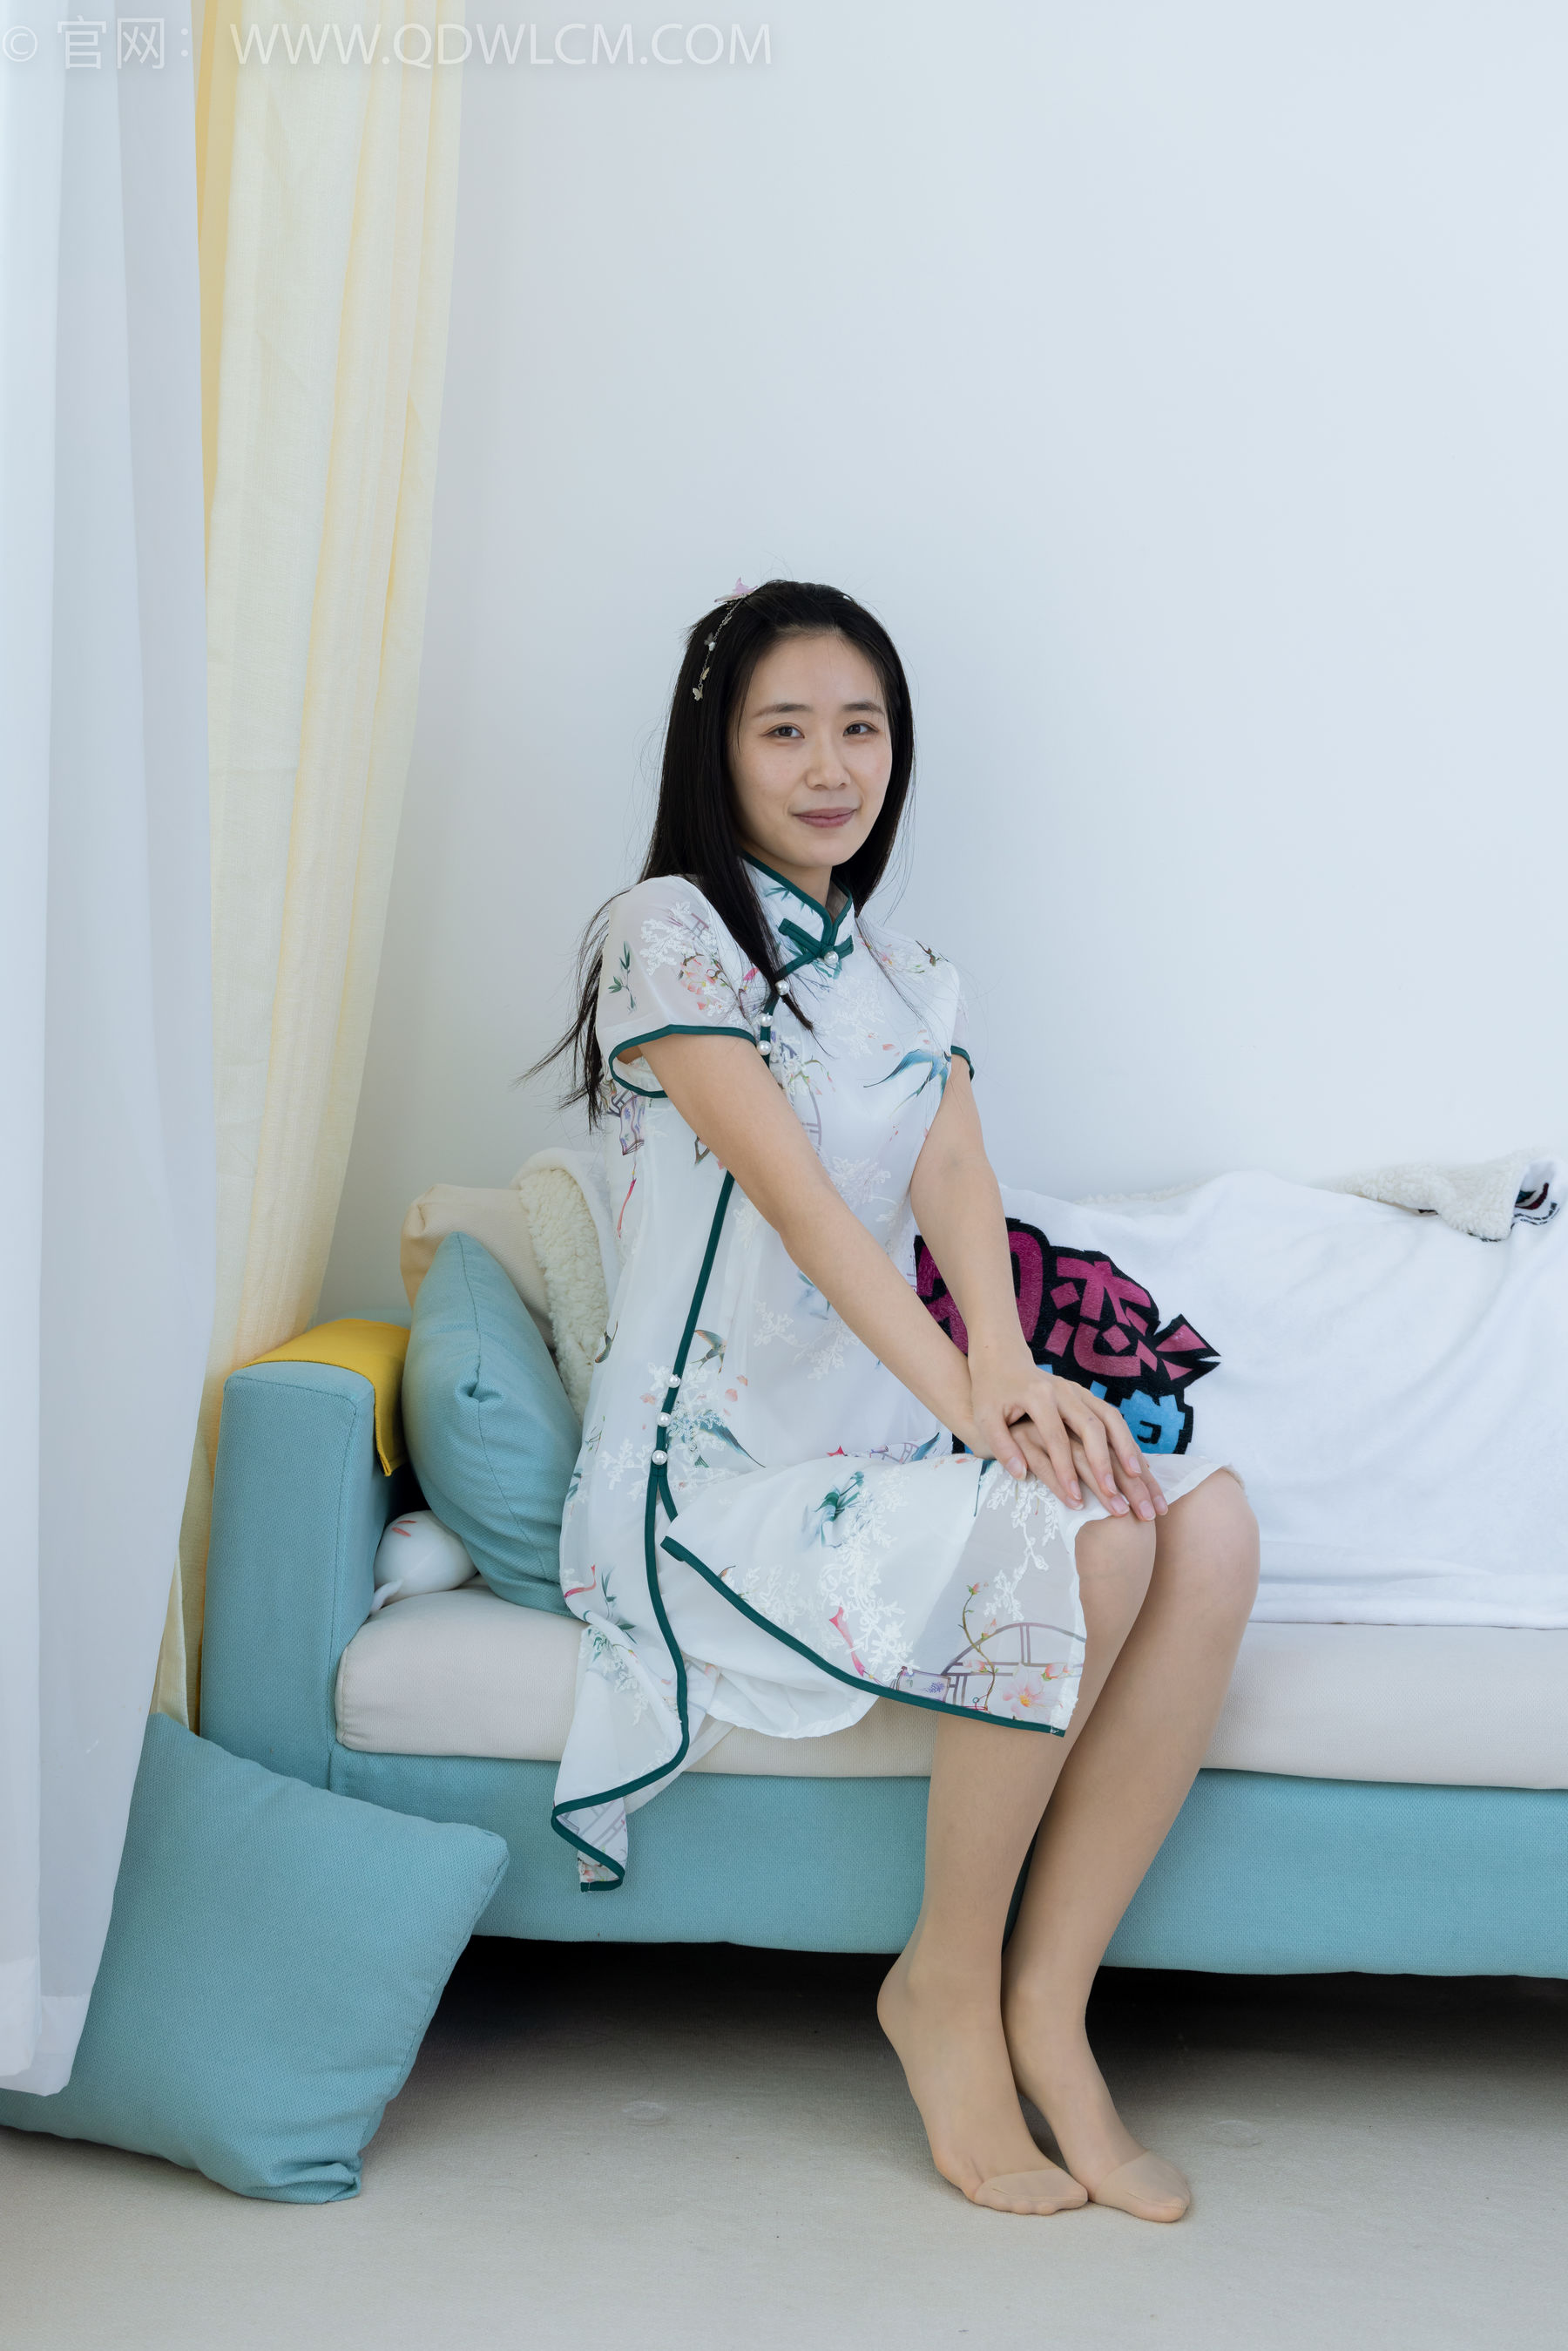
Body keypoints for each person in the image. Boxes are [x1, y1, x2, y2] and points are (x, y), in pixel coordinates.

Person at [537, 579, 1260, 2219]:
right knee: (1079, 1533)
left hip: (869, 1451)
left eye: (859, 729)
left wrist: (1011, 1370)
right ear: (718, 751)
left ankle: (1048, 2005)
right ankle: (942, 1983)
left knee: (1200, 1523)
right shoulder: (663, 931)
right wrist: (982, 1404)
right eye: (785, 730)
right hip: (706, 1483)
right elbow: (801, 1206)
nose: (830, 766)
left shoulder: (907, 971)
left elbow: (953, 1179)